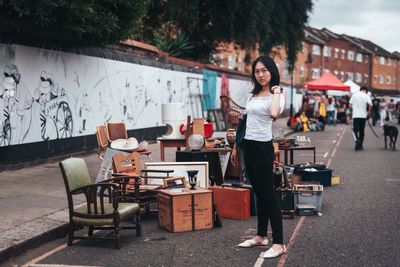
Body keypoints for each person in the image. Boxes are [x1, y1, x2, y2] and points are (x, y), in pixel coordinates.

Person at [231, 55, 286, 259]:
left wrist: (277, 91)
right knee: (258, 192)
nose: (261, 74)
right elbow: (245, 121)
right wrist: (236, 146)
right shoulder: (253, 95)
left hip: (263, 149)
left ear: (271, 71)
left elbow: (273, 114)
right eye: (257, 71)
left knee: (268, 194)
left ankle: (279, 242)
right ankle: (262, 236)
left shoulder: (278, 95)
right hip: (248, 146)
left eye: (264, 70)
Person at [349, 86, 372, 151]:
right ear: (365, 91)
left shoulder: (354, 95)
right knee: (362, 131)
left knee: (355, 130)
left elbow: (350, 105)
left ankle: (357, 141)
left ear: (360, 90)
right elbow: (371, 105)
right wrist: (369, 112)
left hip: (356, 115)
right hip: (363, 116)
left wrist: (353, 109)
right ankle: (361, 145)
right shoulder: (366, 96)